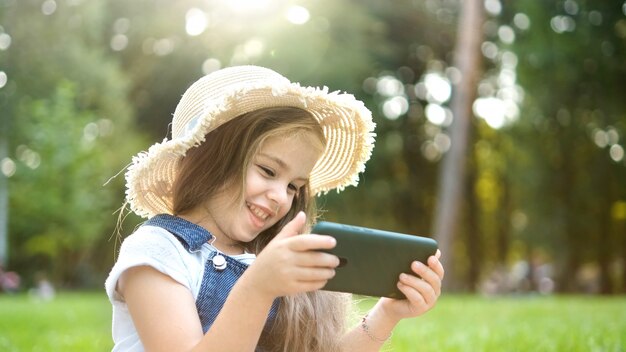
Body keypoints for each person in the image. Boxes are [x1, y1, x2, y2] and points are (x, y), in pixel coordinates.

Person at [105, 65, 444, 352]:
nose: (282, 197)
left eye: (294, 186)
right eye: (268, 171)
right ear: (208, 158)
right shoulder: (160, 251)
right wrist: (258, 286)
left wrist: (387, 314)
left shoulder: (266, 259)